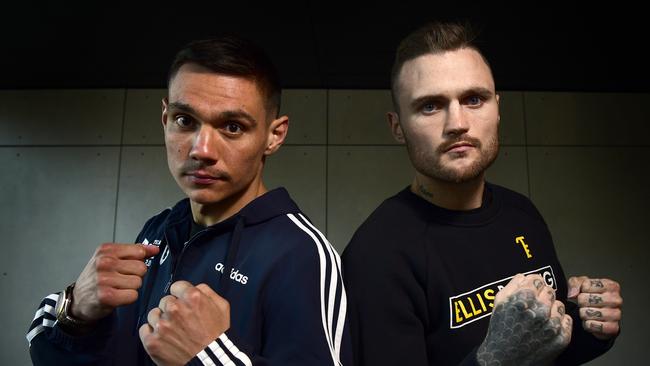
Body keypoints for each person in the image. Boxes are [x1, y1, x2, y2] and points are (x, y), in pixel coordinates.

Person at [27, 36, 351, 366]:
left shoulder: (303, 254)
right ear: (165, 118)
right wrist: (75, 314)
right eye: (185, 120)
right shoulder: (159, 229)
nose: (201, 150)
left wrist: (208, 356)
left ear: (274, 135)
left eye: (233, 127)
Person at [342, 21, 622, 366]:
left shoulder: (522, 212)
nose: (457, 123)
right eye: (430, 106)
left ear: (498, 108)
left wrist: (591, 328)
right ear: (398, 127)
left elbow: (550, 351)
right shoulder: (377, 255)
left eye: (474, 99)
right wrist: (493, 361)